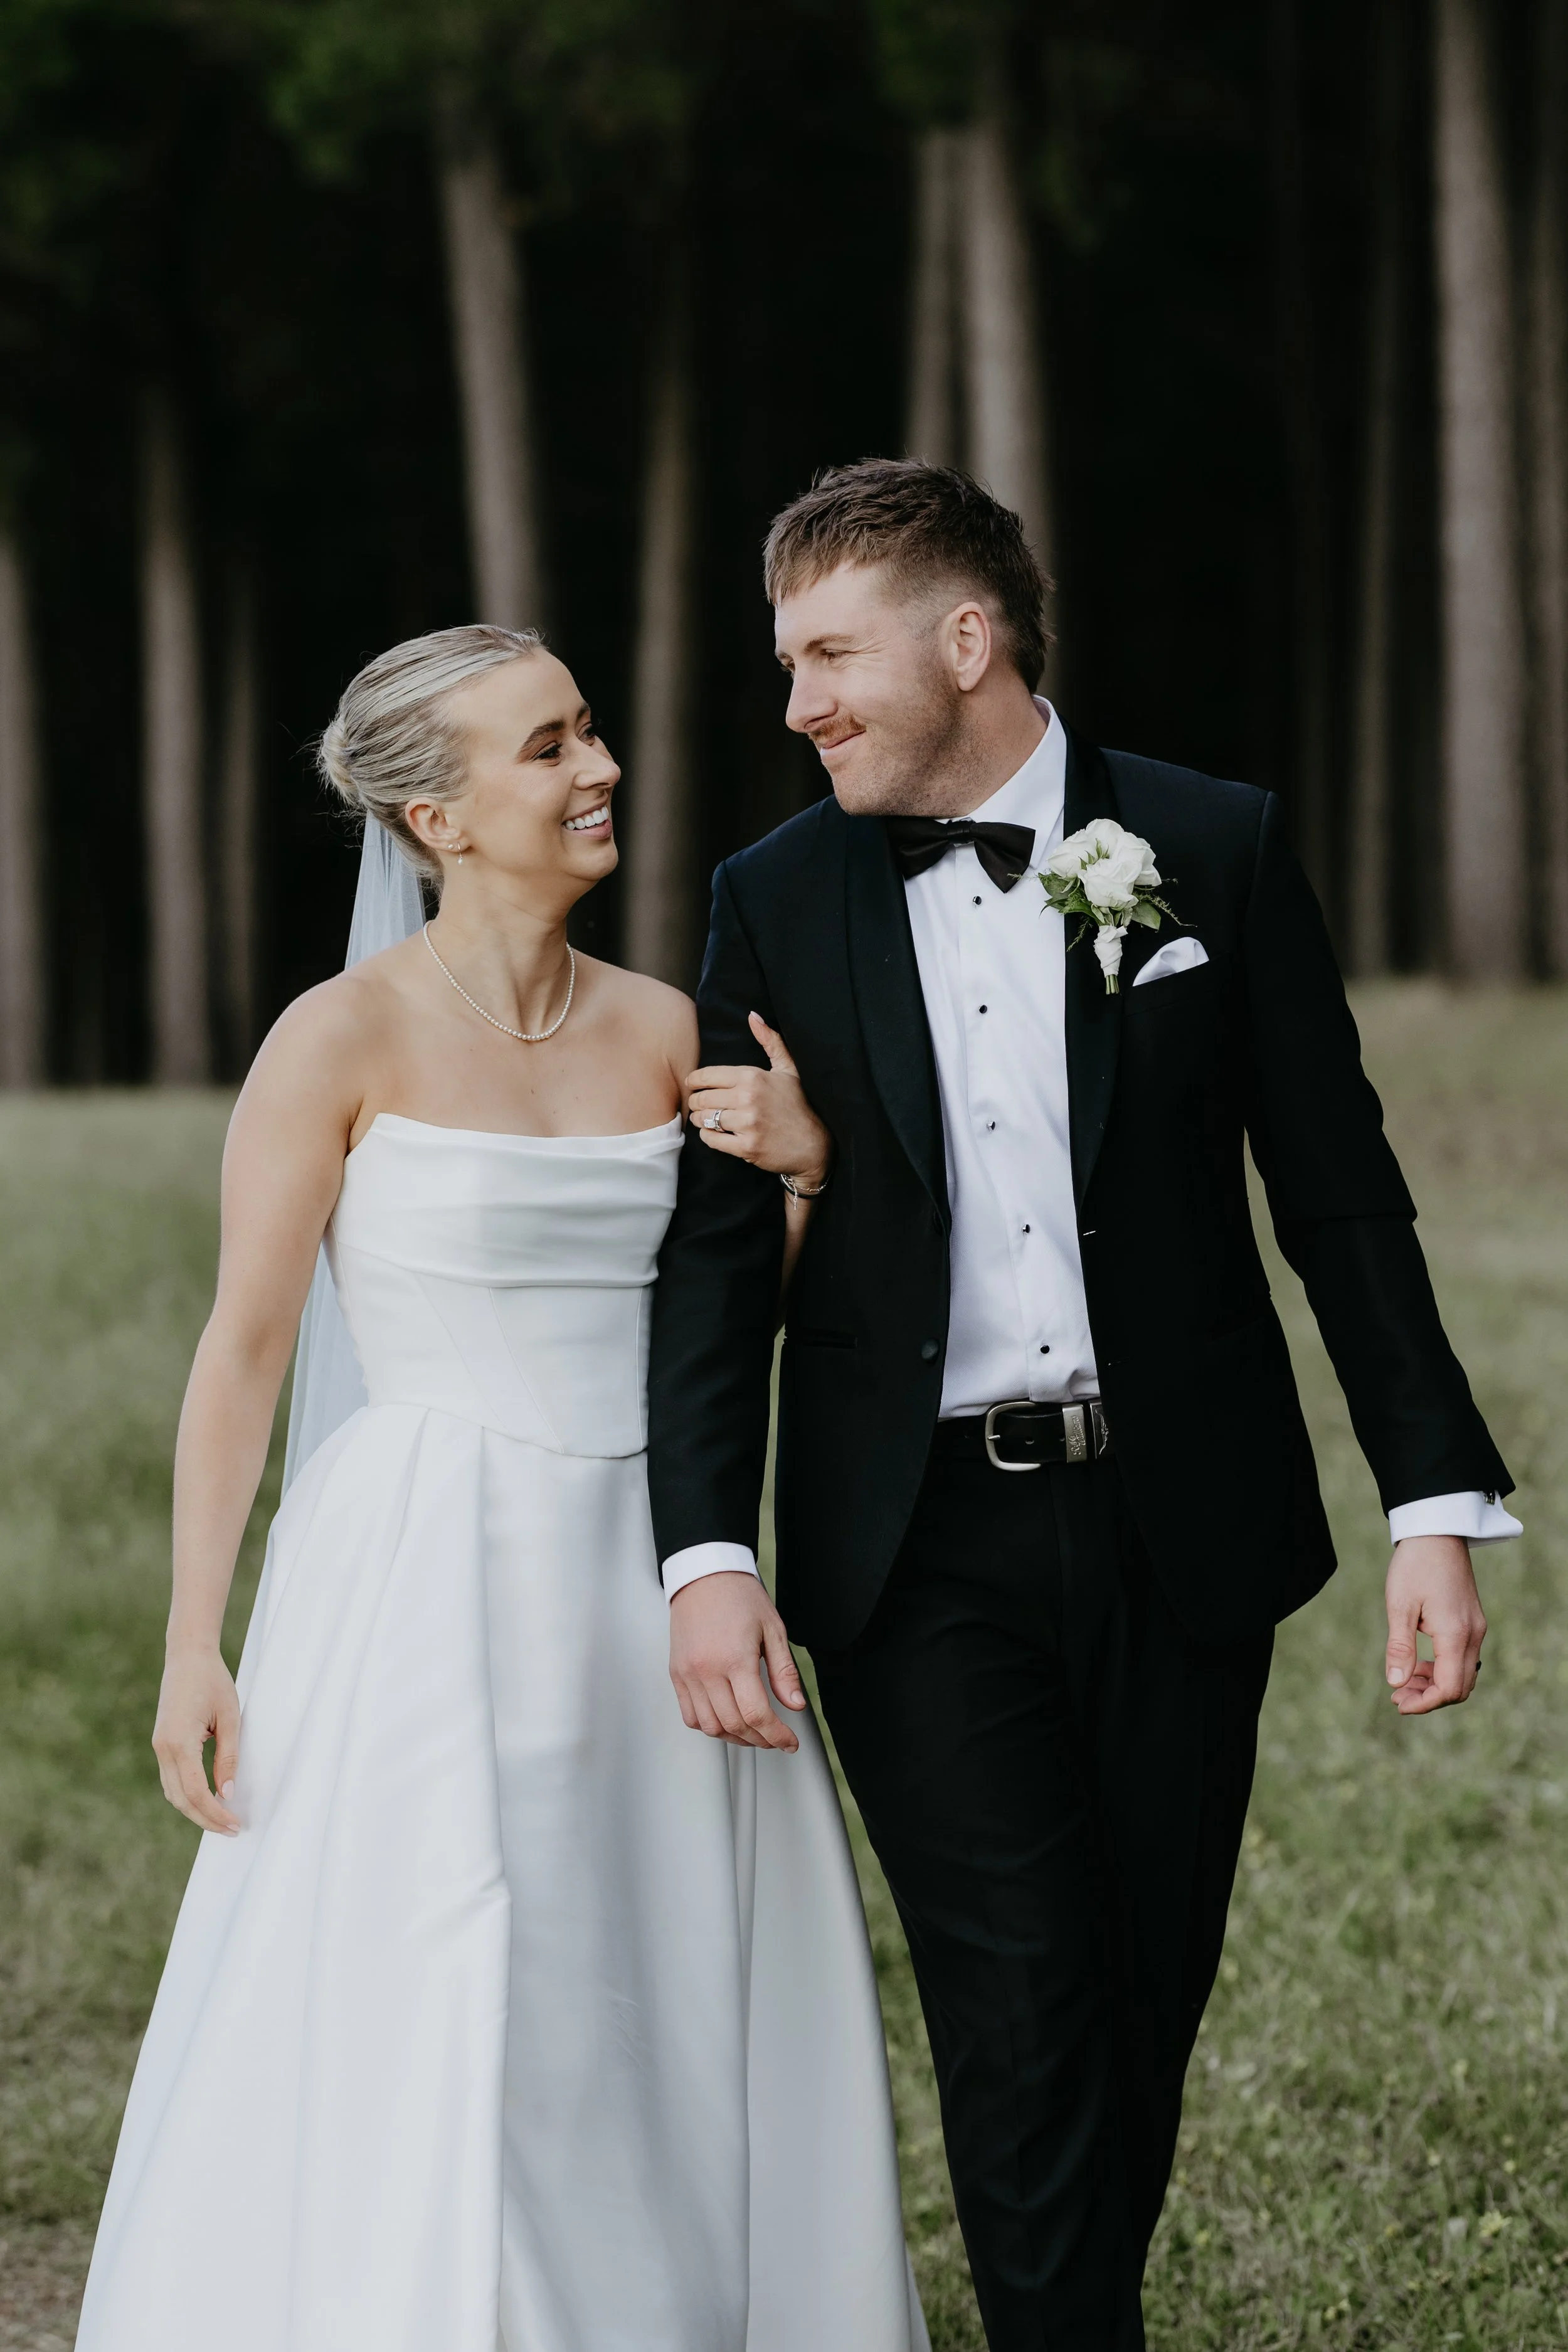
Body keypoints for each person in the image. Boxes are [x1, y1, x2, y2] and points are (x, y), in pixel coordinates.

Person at [647, 459, 1521, 2351]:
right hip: (916, 1545)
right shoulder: (773, 897)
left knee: (1135, 1999)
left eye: (827, 656)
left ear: (968, 641)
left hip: (1177, 1521)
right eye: (784, 661)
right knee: (1022, 2006)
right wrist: (706, 1549)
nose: (794, 704)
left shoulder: (1206, 844)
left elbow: (1337, 1190)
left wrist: (1429, 1501)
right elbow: (722, 1260)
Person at [75, 625, 929, 2352]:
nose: (594, 767)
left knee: (658, 1976)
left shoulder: (664, 1027)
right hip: (420, 1562)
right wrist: (192, 1639)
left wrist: (804, 1172)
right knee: (442, 1967)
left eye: (589, 729)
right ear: (431, 815)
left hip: (646, 1565)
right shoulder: (337, 1040)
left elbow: (712, 1322)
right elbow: (243, 1352)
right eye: (543, 747)